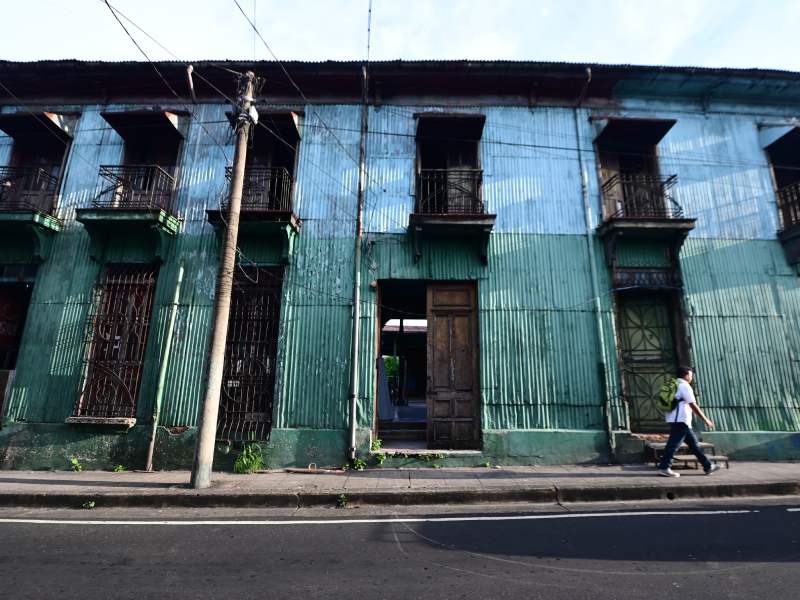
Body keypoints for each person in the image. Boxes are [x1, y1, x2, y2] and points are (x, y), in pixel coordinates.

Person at [657, 366, 721, 477]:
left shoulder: (674, 384)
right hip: (681, 420)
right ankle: (664, 467)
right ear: (686, 375)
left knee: (694, 445)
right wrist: (706, 420)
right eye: (691, 375)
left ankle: (708, 466)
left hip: (676, 419)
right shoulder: (684, 386)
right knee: (673, 445)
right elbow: (692, 404)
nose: (691, 378)